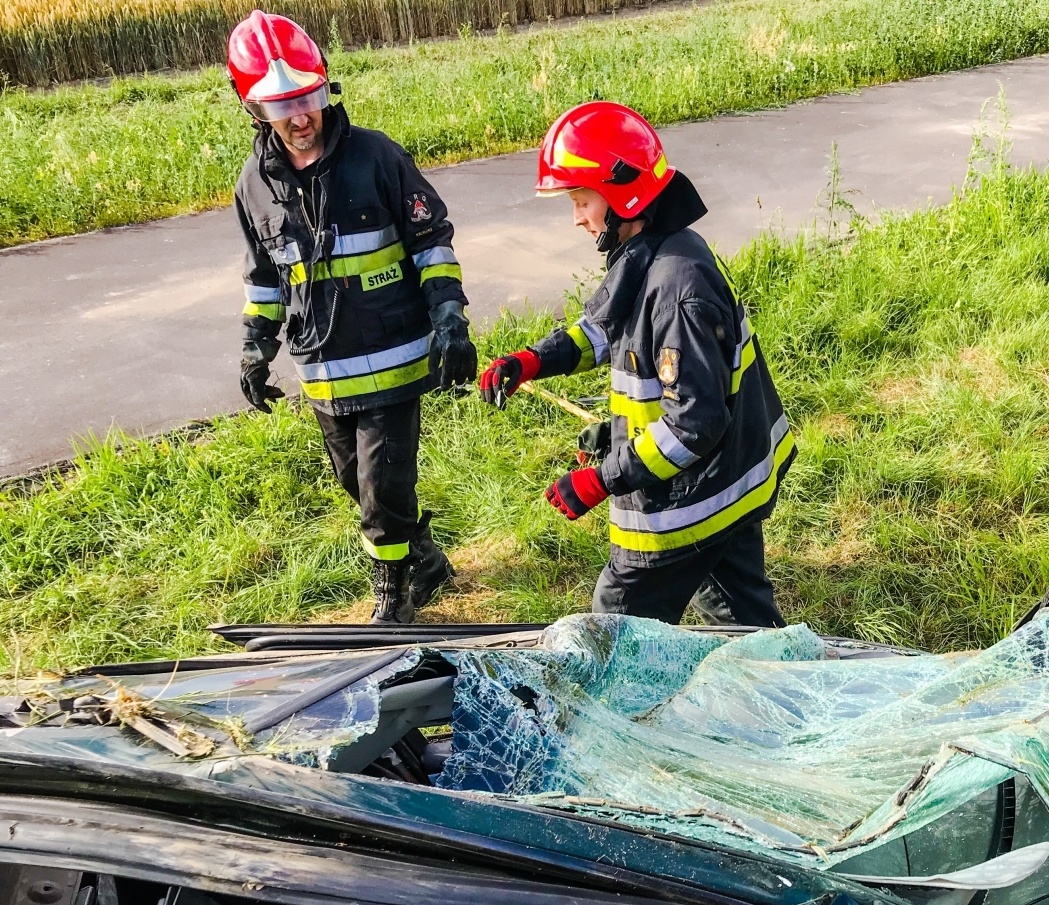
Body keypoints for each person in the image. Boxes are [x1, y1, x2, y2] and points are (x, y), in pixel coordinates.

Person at [478, 102, 795, 627]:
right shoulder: (653, 248)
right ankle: (780, 691)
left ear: (622, 195)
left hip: (689, 501)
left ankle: (627, 710)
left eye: (581, 201)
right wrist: (533, 360)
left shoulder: (677, 288)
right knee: (743, 623)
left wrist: (602, 479)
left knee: (618, 623)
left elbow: (693, 426)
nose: (577, 218)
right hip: (729, 485)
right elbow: (605, 330)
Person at [226, 10, 477, 623]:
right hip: (323, 370)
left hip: (393, 359)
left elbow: (431, 240)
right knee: (356, 483)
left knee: (381, 490)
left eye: (308, 97)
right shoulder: (254, 184)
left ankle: (393, 600)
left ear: (326, 87)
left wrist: (450, 317)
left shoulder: (376, 157)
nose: (301, 117)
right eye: (282, 106)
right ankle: (425, 558)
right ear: (253, 109)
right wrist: (256, 346)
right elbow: (265, 276)